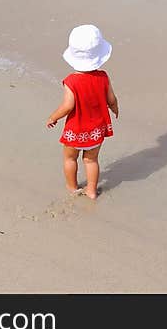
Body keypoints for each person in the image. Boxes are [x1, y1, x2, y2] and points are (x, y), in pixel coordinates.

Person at [46, 24, 119, 199]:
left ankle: (72, 187)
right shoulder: (103, 77)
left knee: (70, 159)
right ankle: (92, 190)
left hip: (75, 130)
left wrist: (53, 117)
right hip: (96, 130)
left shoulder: (71, 81)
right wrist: (115, 109)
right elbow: (112, 99)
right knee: (91, 160)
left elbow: (67, 106)